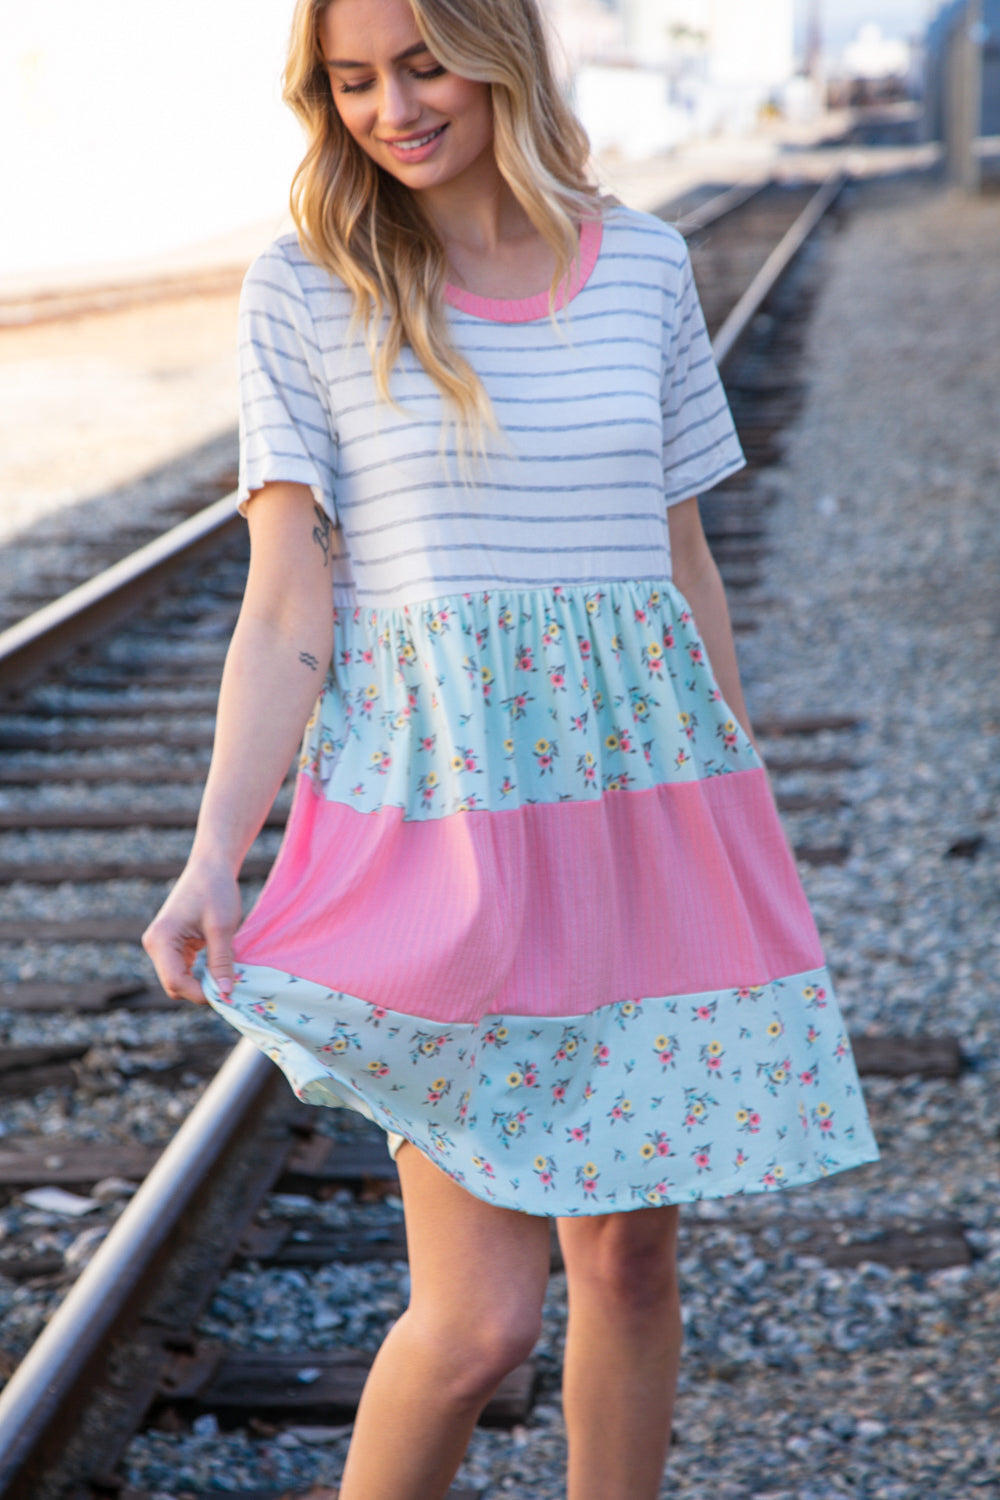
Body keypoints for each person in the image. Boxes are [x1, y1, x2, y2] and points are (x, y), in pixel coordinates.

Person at [143, 0, 879, 1494]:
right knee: (476, 1322)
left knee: (632, 1268)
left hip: (649, 816)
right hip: (449, 823)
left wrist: (732, 806)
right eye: (352, 81)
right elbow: (287, 603)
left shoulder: (648, 267)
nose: (391, 108)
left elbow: (686, 564)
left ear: (503, 55)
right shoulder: (308, 289)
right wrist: (214, 851)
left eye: (422, 64)